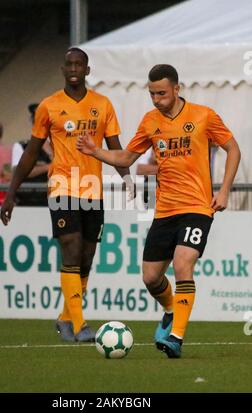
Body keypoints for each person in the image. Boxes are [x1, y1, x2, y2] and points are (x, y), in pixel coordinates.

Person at [77, 64, 241, 358]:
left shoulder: (203, 115)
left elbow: (233, 149)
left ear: (177, 89)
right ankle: (169, 310)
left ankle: (176, 337)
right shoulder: (150, 121)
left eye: (162, 93)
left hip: (197, 207)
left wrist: (224, 189)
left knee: (182, 265)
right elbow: (127, 156)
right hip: (164, 211)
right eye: (152, 93)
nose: (156, 99)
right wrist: (96, 151)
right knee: (151, 278)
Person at [0, 47, 133, 342]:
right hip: (62, 186)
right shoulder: (49, 106)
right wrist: (11, 193)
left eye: (79, 64)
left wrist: (127, 178)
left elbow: (115, 146)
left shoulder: (103, 104)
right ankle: (79, 325)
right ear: (63, 69)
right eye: (69, 64)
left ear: (87, 70)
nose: (73, 68)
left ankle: (65, 318)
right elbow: (32, 153)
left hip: (93, 190)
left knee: (86, 257)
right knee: (71, 248)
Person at [11, 104, 52, 206]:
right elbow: (21, 171)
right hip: (28, 201)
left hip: (54, 202)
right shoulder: (22, 146)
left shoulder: (58, 146)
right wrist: (49, 167)